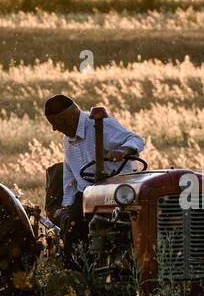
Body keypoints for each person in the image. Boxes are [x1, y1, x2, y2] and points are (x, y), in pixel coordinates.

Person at [43, 94, 145, 267]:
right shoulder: (67, 140)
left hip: (116, 192)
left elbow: (136, 140)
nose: (54, 128)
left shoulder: (102, 125)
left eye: (56, 123)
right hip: (88, 195)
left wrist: (123, 150)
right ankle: (76, 272)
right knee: (71, 228)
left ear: (67, 119)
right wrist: (67, 206)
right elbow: (69, 174)